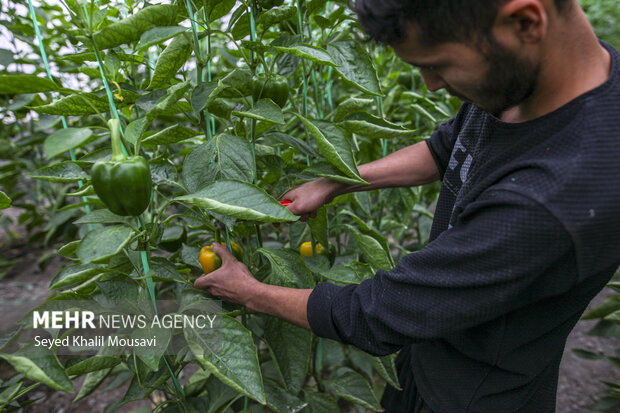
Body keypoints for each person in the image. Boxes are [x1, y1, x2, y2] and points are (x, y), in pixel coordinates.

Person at [194, 0, 620, 411]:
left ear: (527, 22)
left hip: (472, 394)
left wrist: (249, 292)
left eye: (436, 64)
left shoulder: (555, 198)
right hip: (429, 353)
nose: (431, 84)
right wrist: (336, 183)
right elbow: (450, 146)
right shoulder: (533, 78)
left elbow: (378, 315)